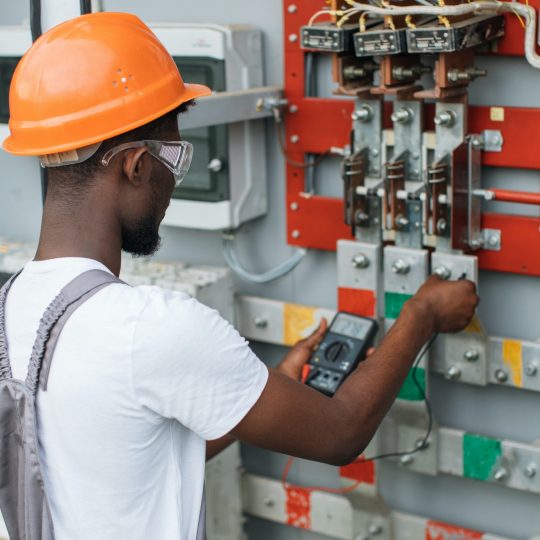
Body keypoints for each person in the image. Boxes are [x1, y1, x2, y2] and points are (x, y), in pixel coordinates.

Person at [1, 12, 479, 540]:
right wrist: (422, 315)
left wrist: (253, 392)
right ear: (136, 166)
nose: (172, 184)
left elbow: (125, 453)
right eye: (174, 159)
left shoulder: (9, 308)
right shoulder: (151, 328)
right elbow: (342, 432)